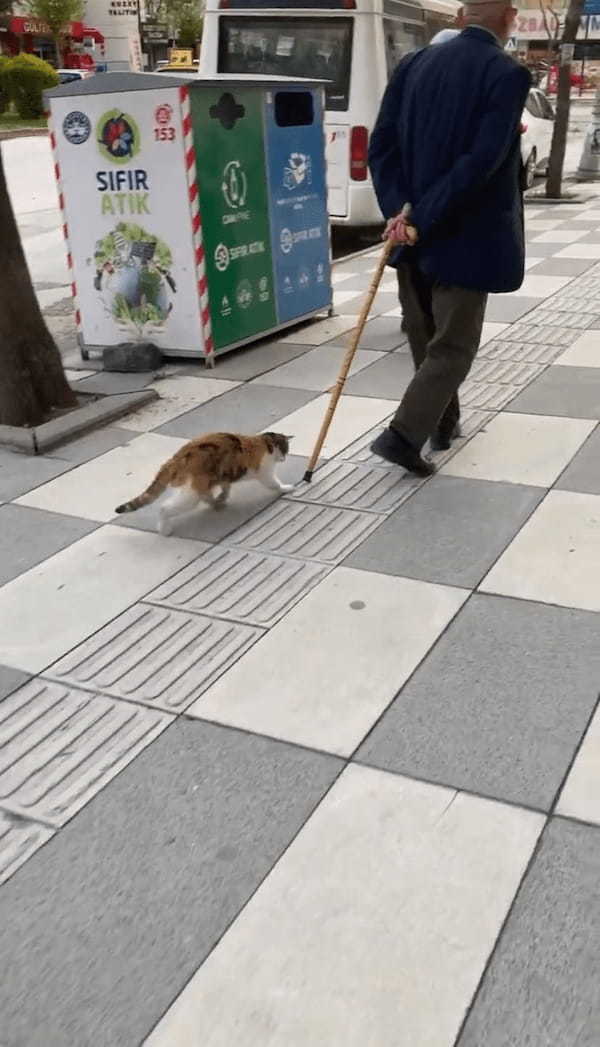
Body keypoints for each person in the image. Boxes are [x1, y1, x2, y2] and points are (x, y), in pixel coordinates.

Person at [368, 1, 531, 476]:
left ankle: (443, 422)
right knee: (453, 346)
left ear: (461, 17)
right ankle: (403, 436)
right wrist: (422, 217)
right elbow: (481, 162)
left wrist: (402, 213)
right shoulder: (506, 73)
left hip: (412, 234)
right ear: (509, 18)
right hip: (466, 234)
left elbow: (383, 145)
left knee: (424, 332)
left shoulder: (413, 64)